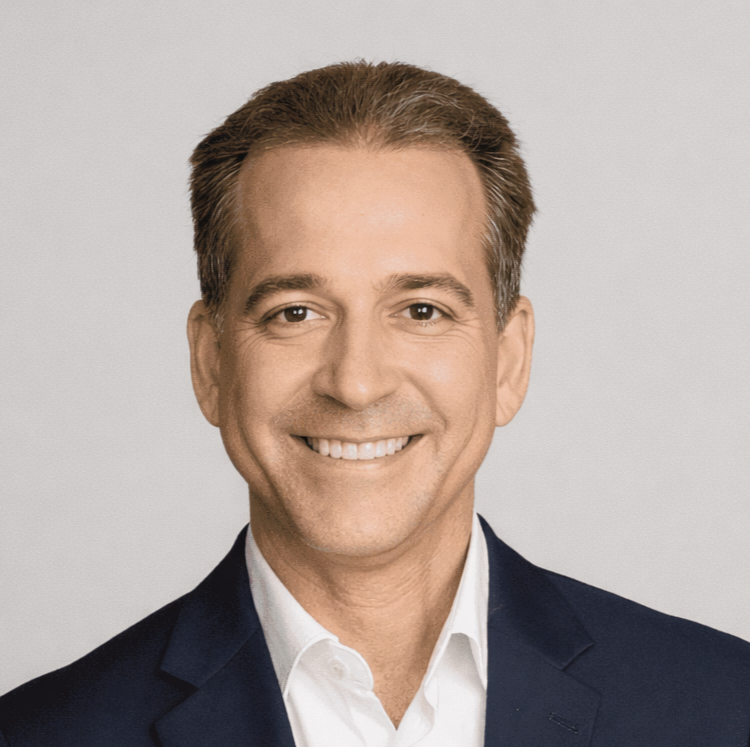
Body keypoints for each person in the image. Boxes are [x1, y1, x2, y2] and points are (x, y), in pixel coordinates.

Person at [1, 60, 748, 747]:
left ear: (508, 360)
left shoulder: (725, 708)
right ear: (211, 363)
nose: (356, 383)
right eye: (295, 312)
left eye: (421, 310)